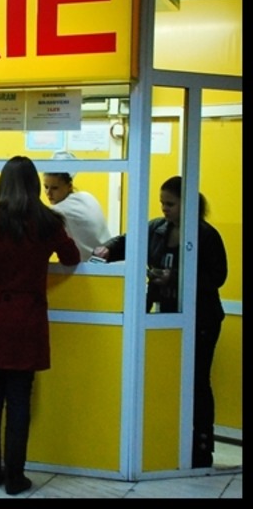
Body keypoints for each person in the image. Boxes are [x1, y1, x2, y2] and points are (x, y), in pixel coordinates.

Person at [92, 176, 227, 468]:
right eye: (162, 203)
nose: (164, 209)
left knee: (197, 381)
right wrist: (108, 248)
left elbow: (217, 277)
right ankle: (170, 443)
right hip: (166, 315)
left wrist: (175, 277)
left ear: (188, 204)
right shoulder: (156, 228)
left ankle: (201, 449)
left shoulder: (206, 235)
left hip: (201, 319)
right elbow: (127, 240)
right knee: (167, 380)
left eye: (171, 204)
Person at [0, 156, 80, 495]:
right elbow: (72, 257)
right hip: (28, 320)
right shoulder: (49, 222)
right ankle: (15, 477)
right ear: (34, 186)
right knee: (19, 399)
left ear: (3, 184)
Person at [42, 151, 112, 262]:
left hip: (92, 269)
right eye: (46, 187)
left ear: (69, 186)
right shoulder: (87, 196)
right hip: (111, 263)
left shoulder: (57, 211)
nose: (48, 193)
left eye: (55, 188)